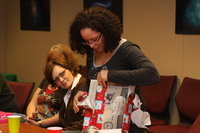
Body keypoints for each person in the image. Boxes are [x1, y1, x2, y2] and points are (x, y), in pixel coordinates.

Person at [69, 6, 160, 133]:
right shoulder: (92, 52)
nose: (92, 45)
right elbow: (92, 81)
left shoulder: (126, 49)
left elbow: (152, 74)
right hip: (101, 119)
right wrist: (83, 91)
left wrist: (111, 75)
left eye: (95, 39)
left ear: (106, 31)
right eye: (86, 41)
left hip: (128, 121)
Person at [27, 57, 86, 131]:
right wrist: (37, 124)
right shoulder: (69, 91)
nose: (61, 80)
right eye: (56, 79)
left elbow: (86, 122)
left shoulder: (83, 86)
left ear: (71, 69)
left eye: (62, 74)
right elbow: (63, 119)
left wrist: (62, 132)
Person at [25, 44, 78, 124]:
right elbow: (33, 103)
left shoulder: (68, 83)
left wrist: (39, 124)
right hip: (35, 120)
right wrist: (30, 118)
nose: (56, 63)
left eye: (60, 59)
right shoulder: (46, 80)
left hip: (50, 124)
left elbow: (64, 114)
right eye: (52, 60)